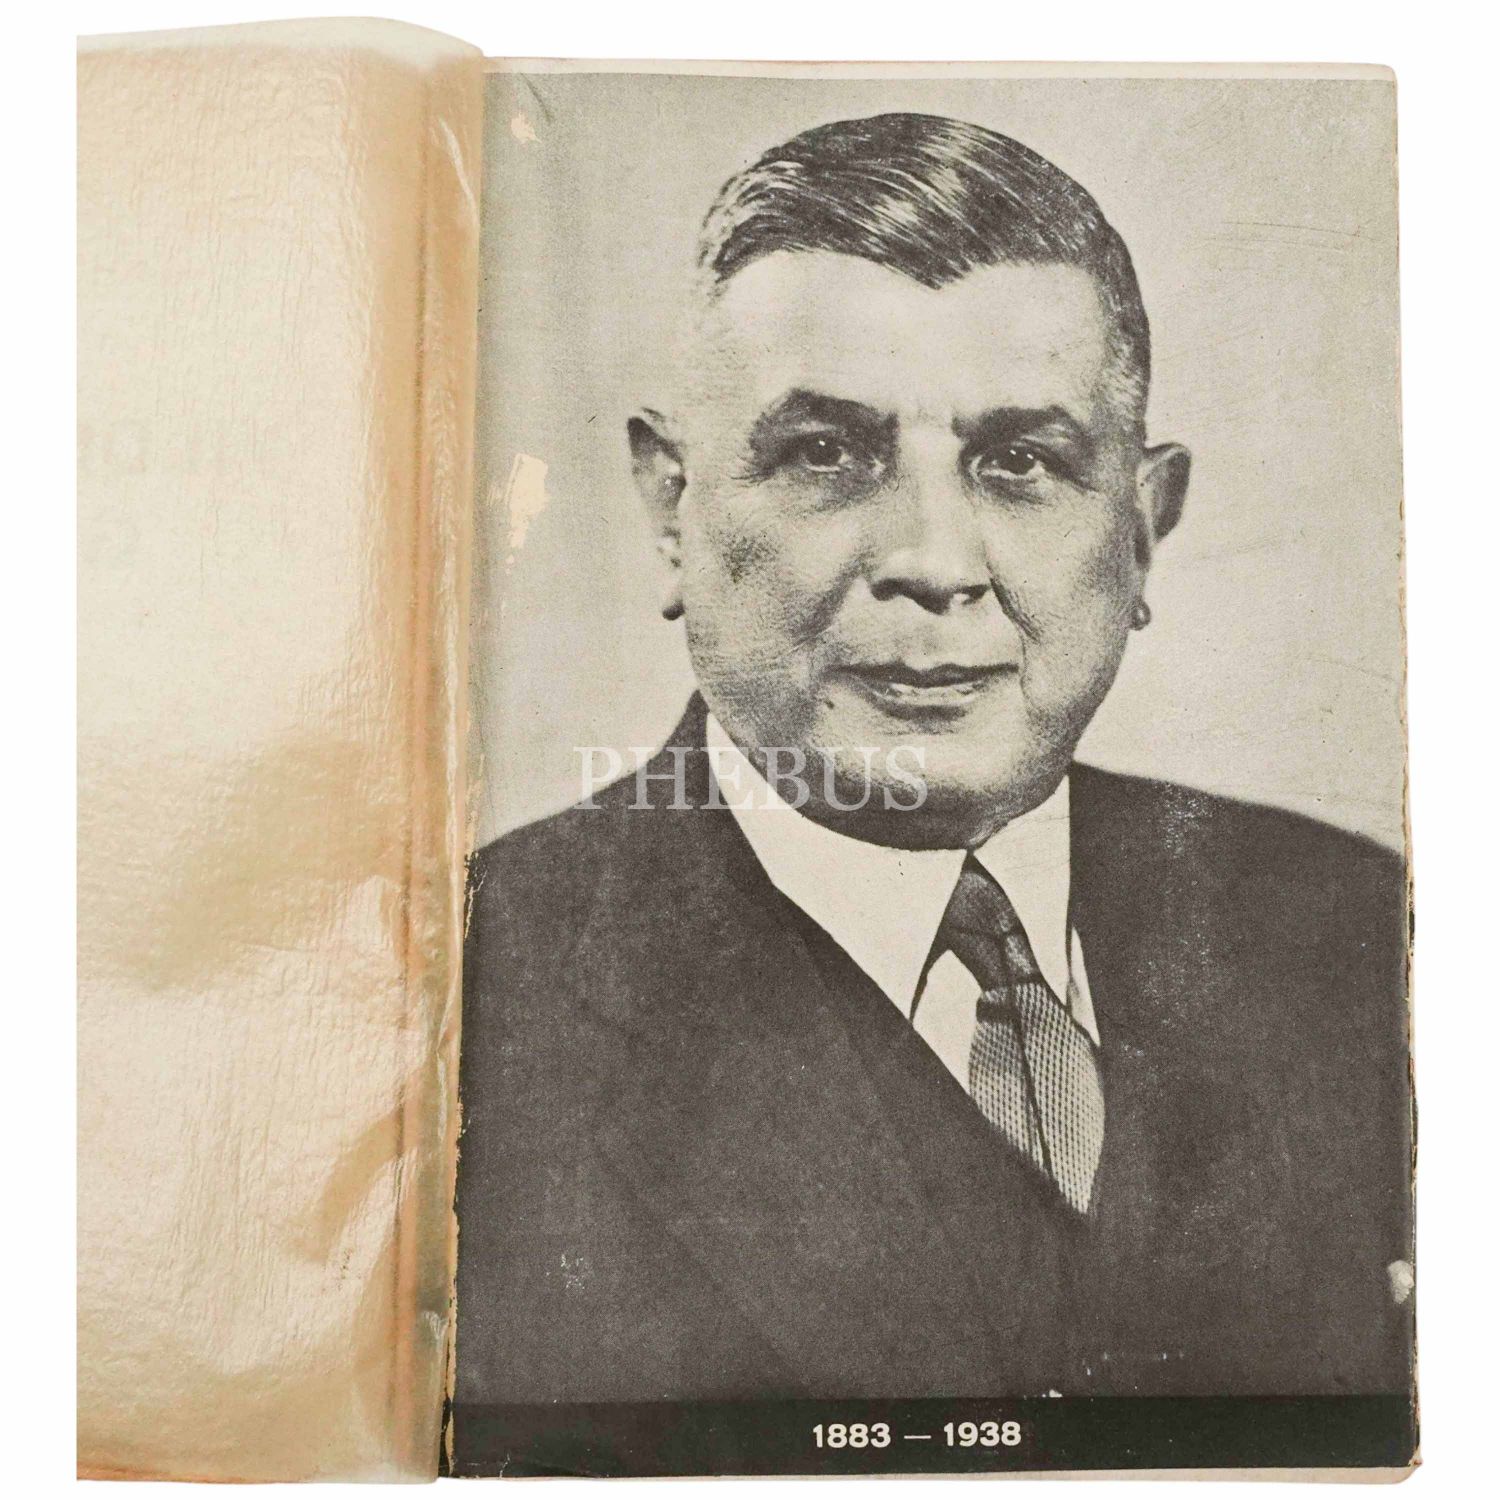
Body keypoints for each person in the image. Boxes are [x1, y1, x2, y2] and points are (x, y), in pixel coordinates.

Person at [456, 113, 1412, 1405]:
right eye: (825, 454)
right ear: (672, 507)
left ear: (1143, 527)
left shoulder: (1352, 928)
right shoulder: (471, 988)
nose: (935, 563)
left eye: (1021, 463)